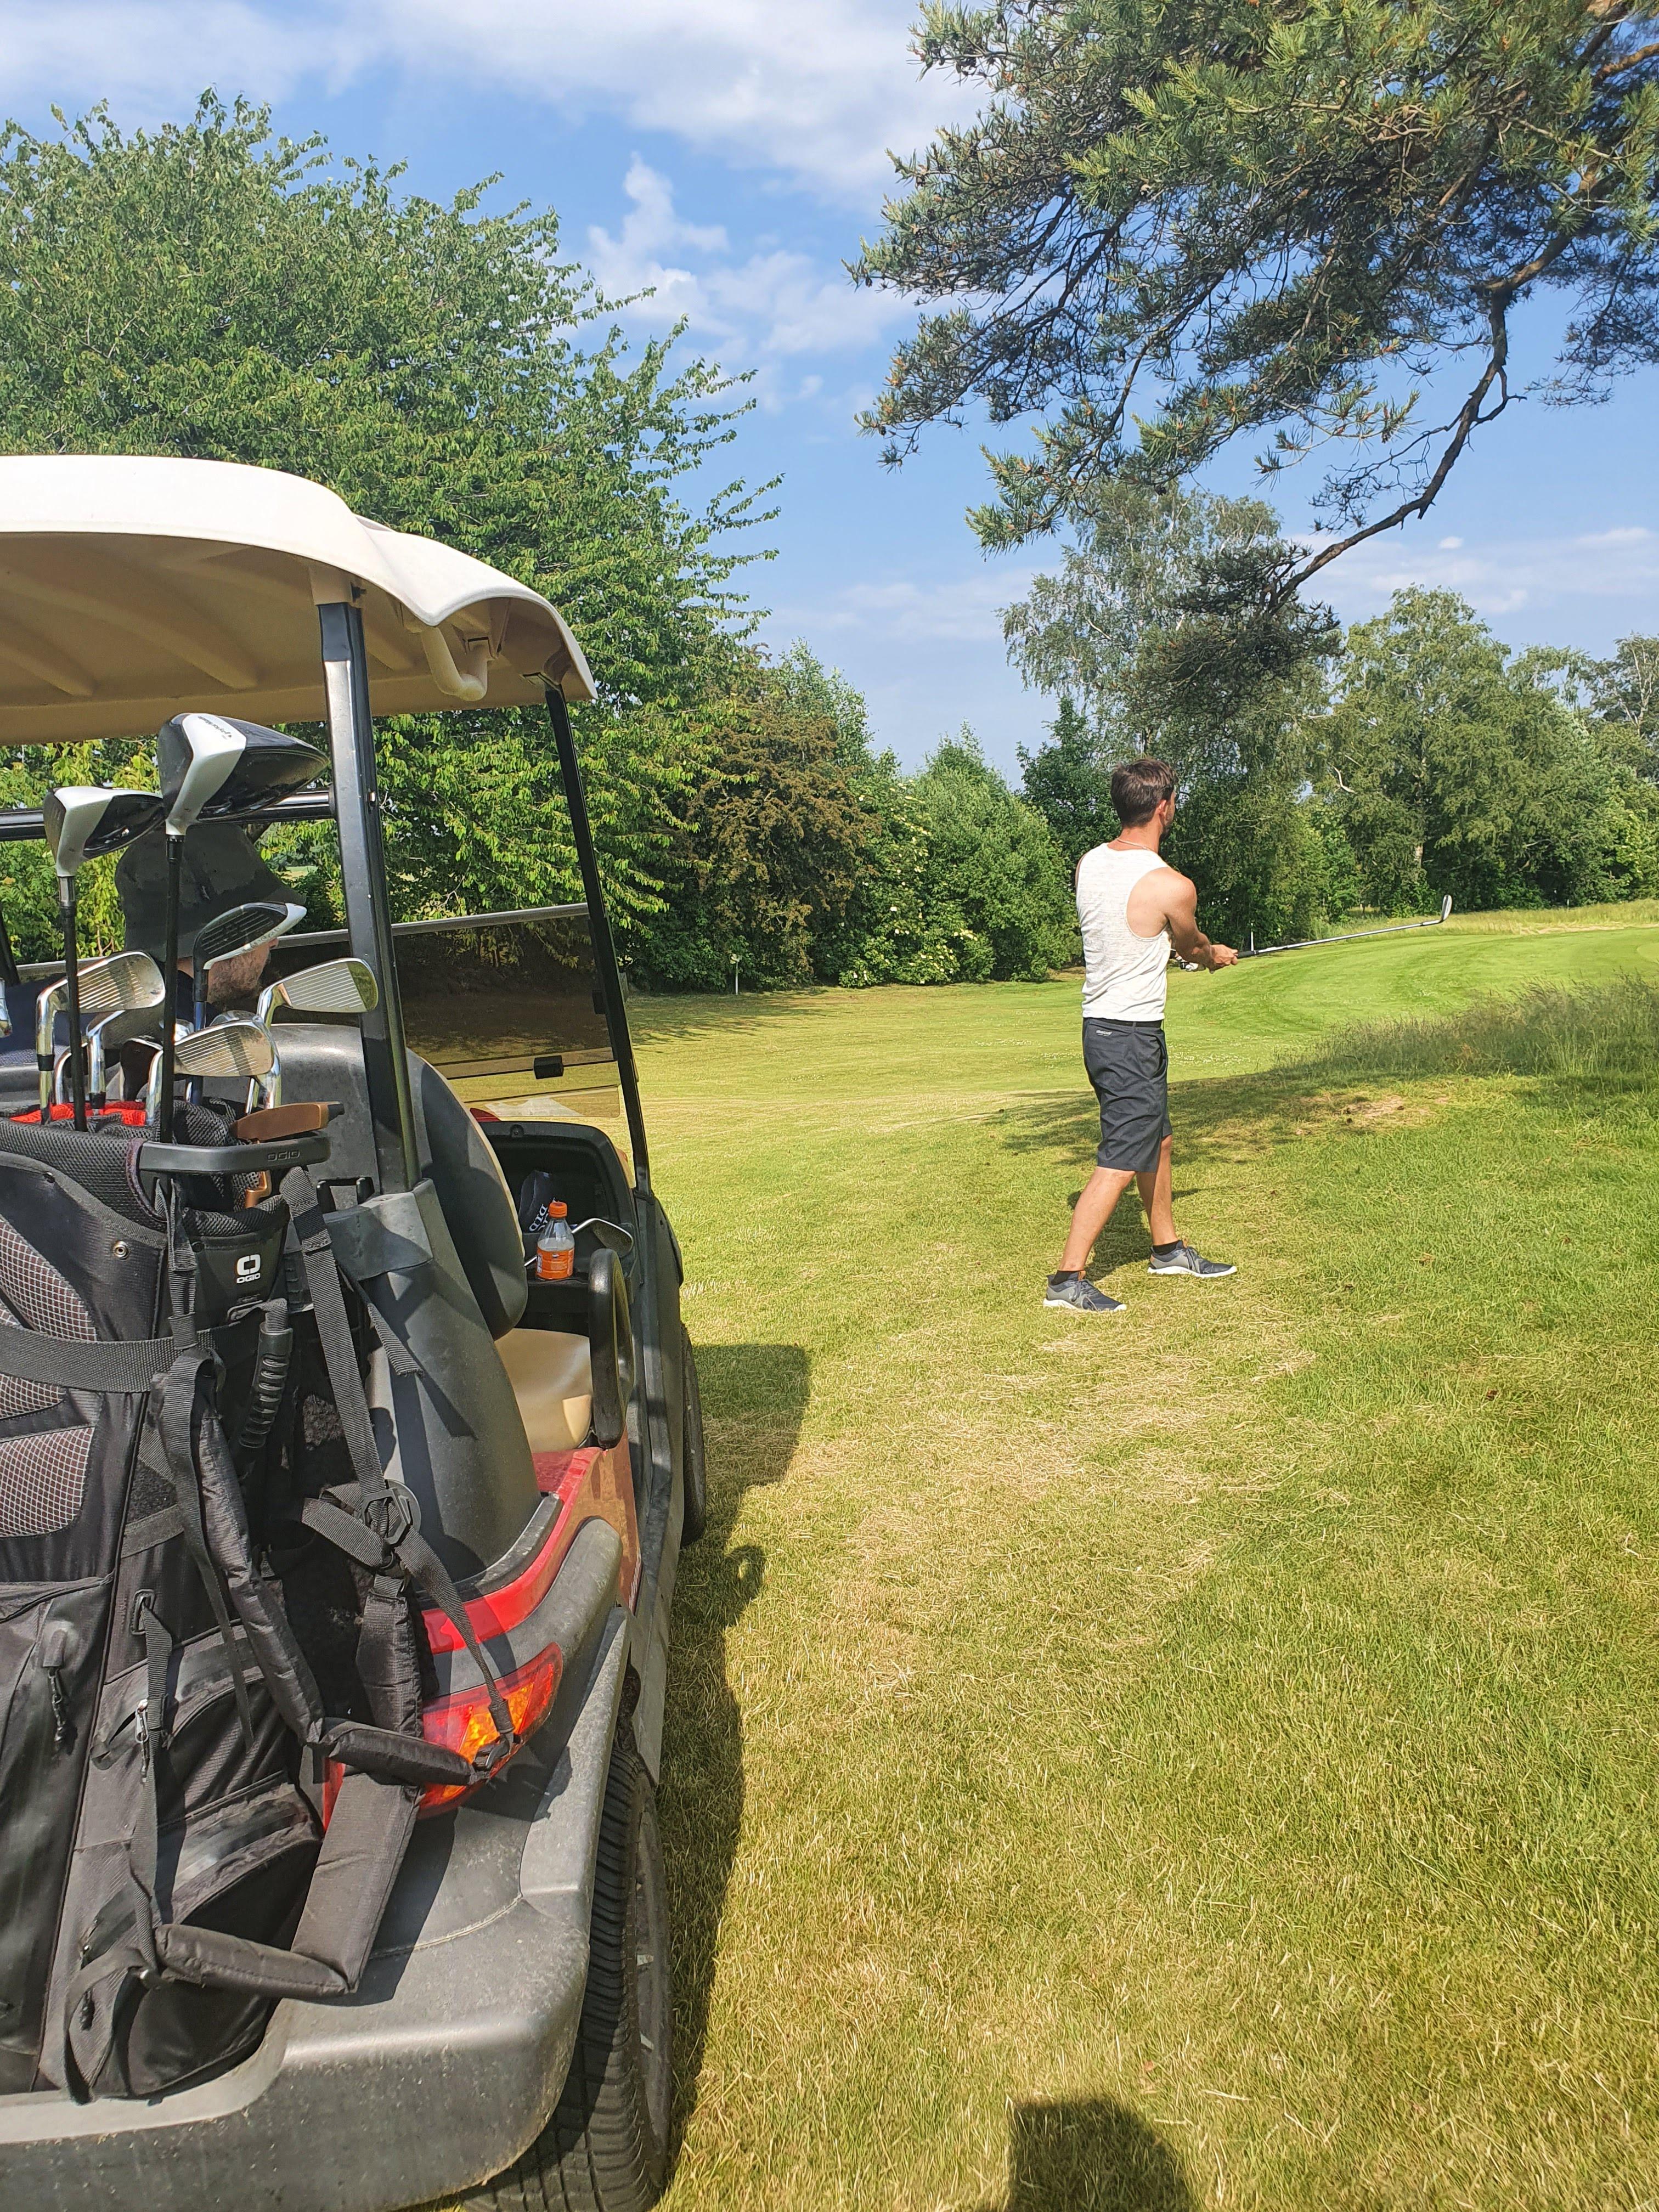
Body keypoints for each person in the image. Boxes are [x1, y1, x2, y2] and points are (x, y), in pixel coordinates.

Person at [1045, 757, 1237, 1316]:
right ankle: (1067, 1278)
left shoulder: (1089, 863)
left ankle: (1167, 1249)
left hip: (1103, 1030)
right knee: (1123, 1155)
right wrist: (1214, 956)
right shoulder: (1173, 885)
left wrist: (1189, 951)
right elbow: (1190, 946)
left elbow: (1142, 934)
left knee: (1157, 1139)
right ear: (1163, 807)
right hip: (1129, 1034)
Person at [115, 820, 300, 1025]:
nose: (274, 941)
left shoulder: (131, 1008)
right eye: (262, 929)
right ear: (225, 937)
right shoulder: (195, 1033)